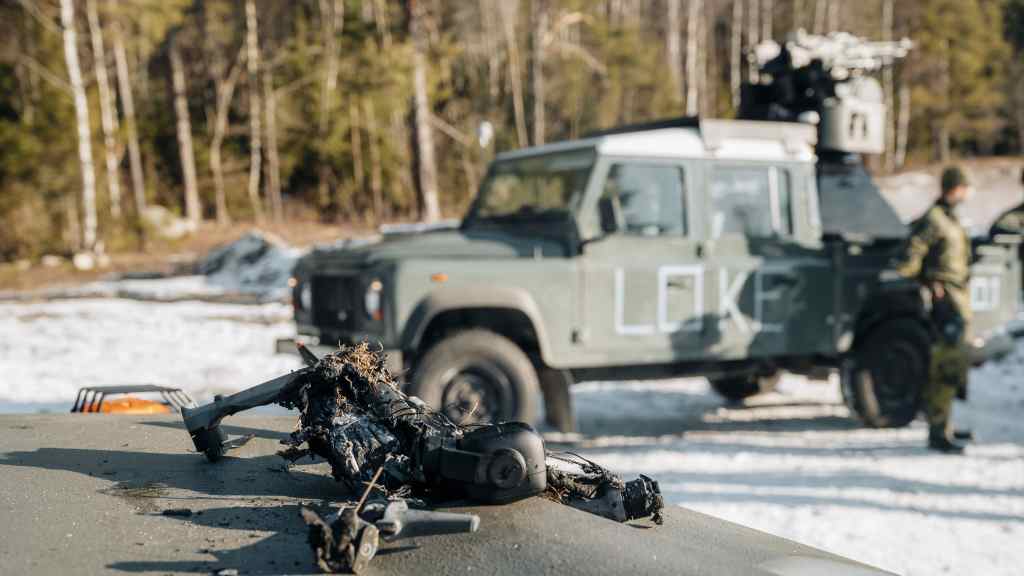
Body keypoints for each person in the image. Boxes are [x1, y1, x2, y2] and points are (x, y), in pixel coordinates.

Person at [894, 166, 973, 454]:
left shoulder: (950, 218)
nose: (966, 193)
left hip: (956, 299)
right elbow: (909, 258)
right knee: (945, 366)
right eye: (963, 188)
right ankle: (938, 431)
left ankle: (944, 424)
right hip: (945, 302)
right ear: (954, 188)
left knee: (955, 366)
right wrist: (927, 284)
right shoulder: (934, 220)